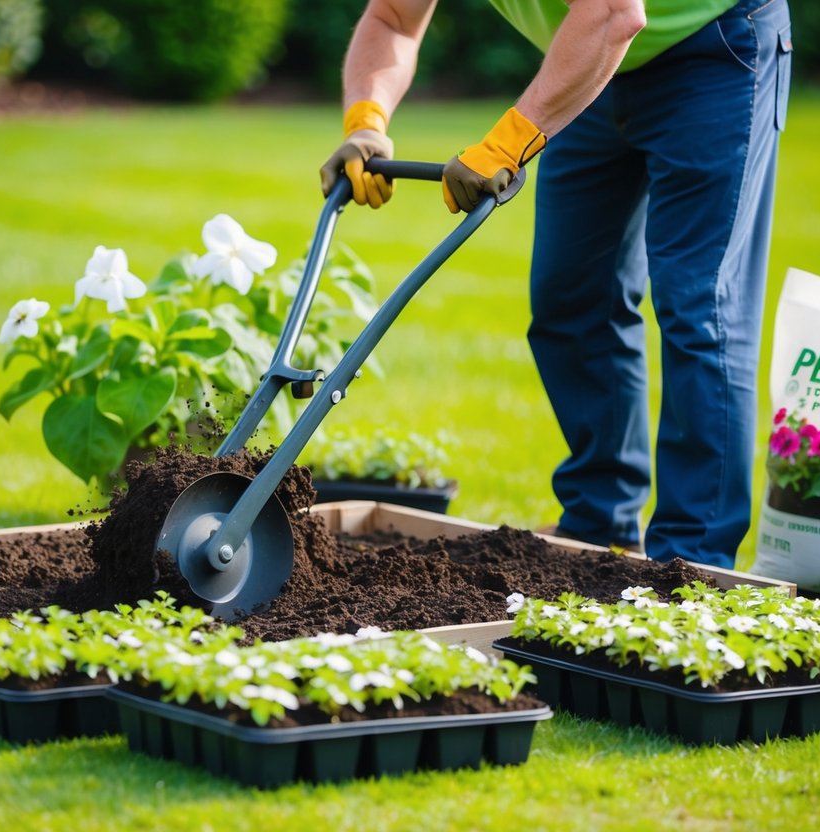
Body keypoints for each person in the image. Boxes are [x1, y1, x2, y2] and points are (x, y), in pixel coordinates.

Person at [319, 0, 792, 569]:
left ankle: (691, 563)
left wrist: (507, 141)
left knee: (699, 307)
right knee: (571, 299)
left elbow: (617, 13)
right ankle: (600, 524)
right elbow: (392, 19)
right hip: (590, 56)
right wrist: (365, 122)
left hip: (710, 44)